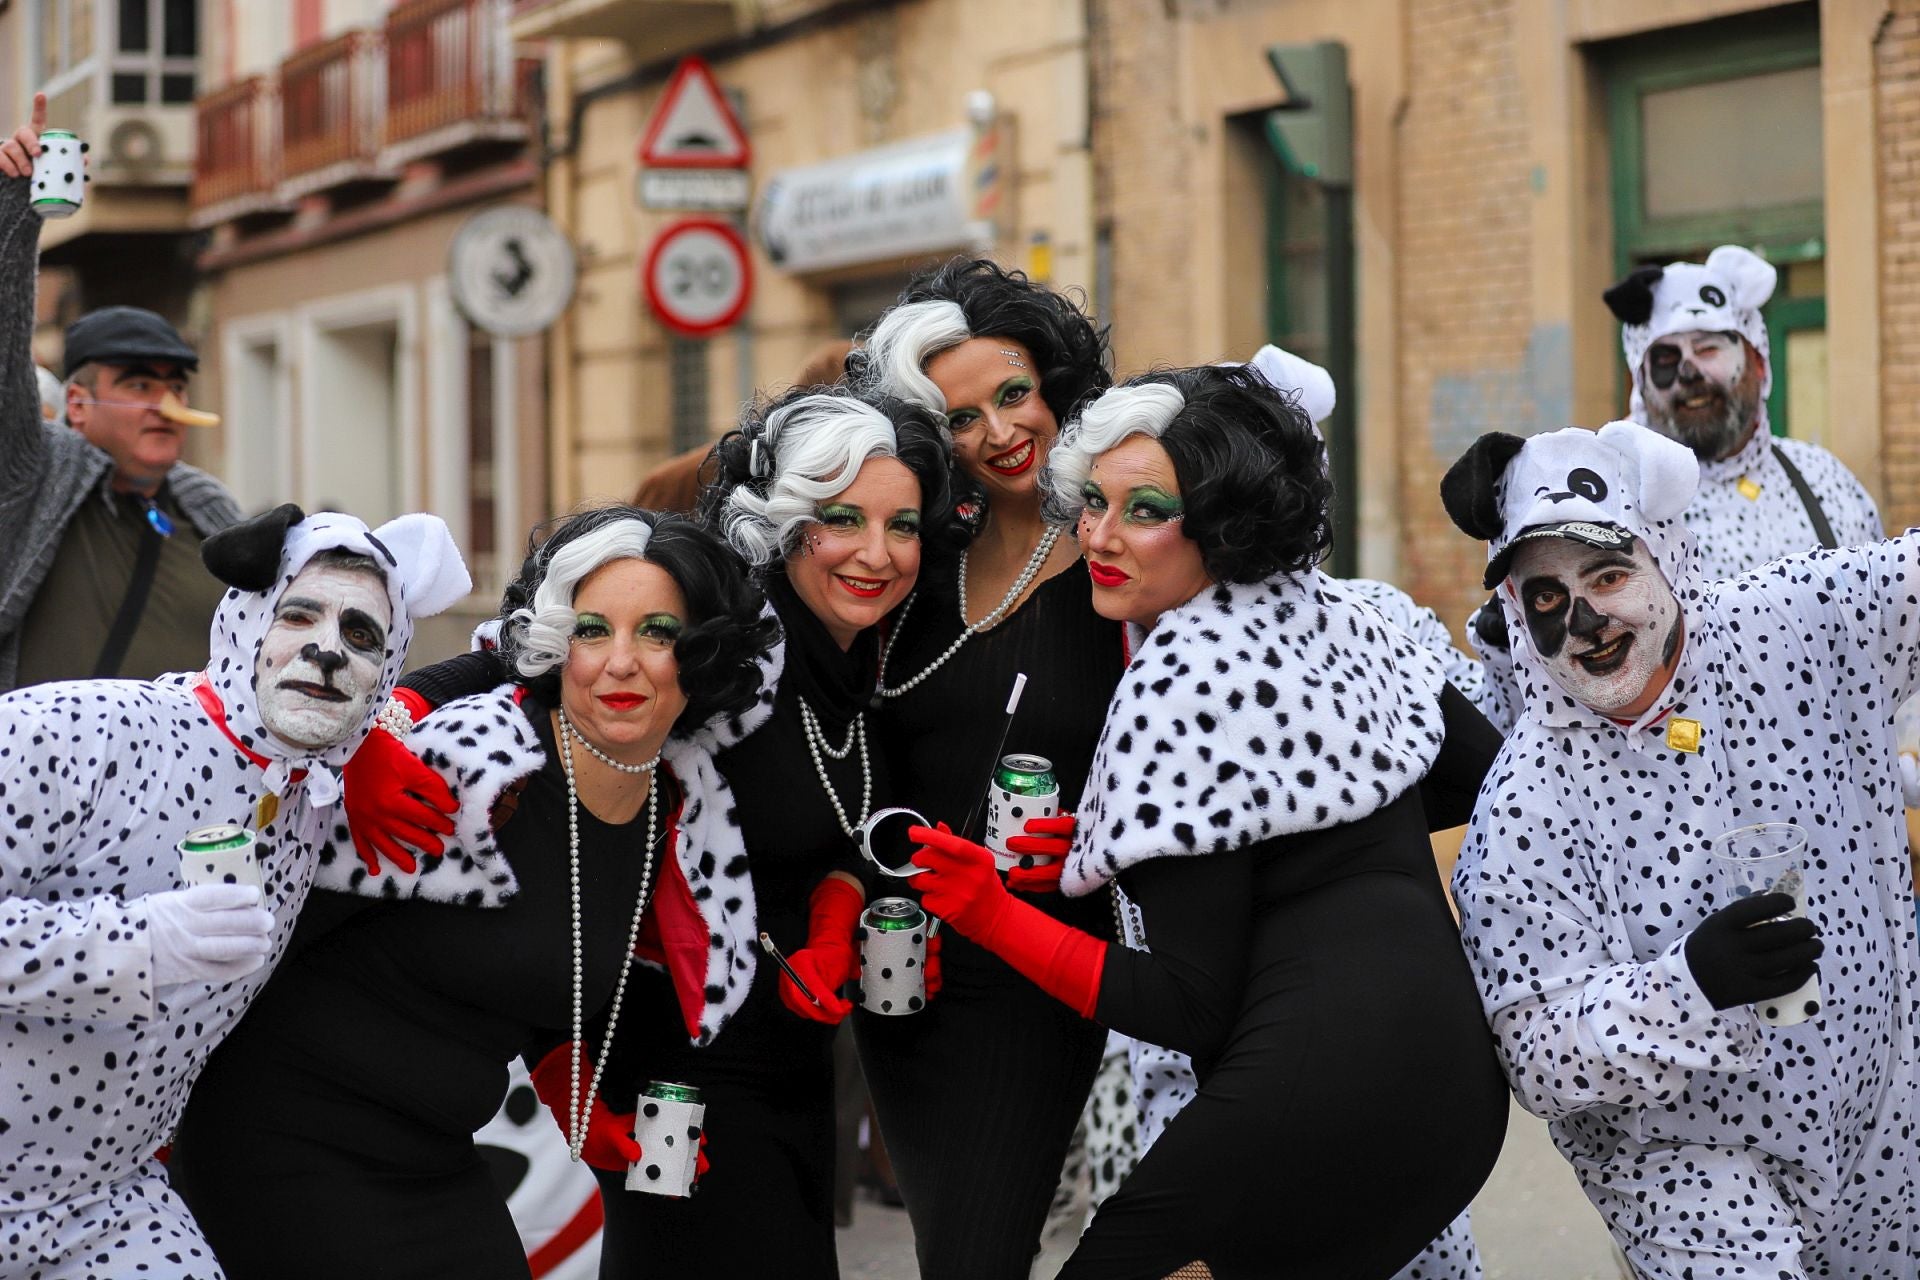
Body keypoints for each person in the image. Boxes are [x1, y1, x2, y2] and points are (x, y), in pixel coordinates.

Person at [906, 365, 1510, 1278]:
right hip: (1459, 1107)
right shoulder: (1351, 615)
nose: (1100, 538)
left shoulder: (1177, 673)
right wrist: (1177, 834)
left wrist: (989, 914)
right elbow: (1478, 774)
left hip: (1306, 1105)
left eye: (1144, 510)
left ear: (1226, 521)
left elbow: (1187, 1004)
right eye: (1093, 505)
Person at [170, 506, 776, 1280]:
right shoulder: (474, 767)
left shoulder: (674, 805)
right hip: (288, 1134)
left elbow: (517, 958)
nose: (621, 662)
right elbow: (259, 918)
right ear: (557, 642)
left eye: (657, 633)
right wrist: (371, 743)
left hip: (435, 1155)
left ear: (704, 654)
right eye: (592, 630)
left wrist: (574, 1099)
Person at [1440, 418, 1920, 1277]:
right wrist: (1687, 986)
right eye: (1548, 598)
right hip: (1684, 1163)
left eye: (1610, 574)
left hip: (1884, 1109)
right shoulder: (1524, 810)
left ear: (1667, 559)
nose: (1586, 620)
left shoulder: (1792, 626)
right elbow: (1536, 1054)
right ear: (1517, 611)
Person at [0, 501, 468, 1279]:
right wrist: (132, 945)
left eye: (361, 635)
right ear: (246, 623)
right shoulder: (75, 730)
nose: (326, 650)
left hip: (103, 1207)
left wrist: (378, 737)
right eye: (299, 614)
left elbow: (512, 653)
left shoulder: (310, 799)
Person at [852, 257, 1124, 1279]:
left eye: (1016, 393)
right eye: (962, 417)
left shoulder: (1120, 561)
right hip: (903, 970)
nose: (1002, 430)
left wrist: (1100, 835)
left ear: (1056, 382)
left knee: (977, 1250)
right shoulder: (913, 562)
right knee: (955, 1247)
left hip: (1039, 961)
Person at [1470, 246, 1883, 732]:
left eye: (1709, 349)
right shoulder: (1596, 501)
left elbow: (1884, 634)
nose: (1689, 372)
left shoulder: (1825, 480)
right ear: (1639, 381)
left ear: (1758, 362)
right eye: (1666, 358)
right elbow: (1542, 711)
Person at [0, 96, 243, 692]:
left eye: (174, 385)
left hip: (182, 786)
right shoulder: (37, 475)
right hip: (37, 781)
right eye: (138, 383)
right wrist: (15, 210)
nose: (165, 403)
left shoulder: (212, 512)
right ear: (78, 406)